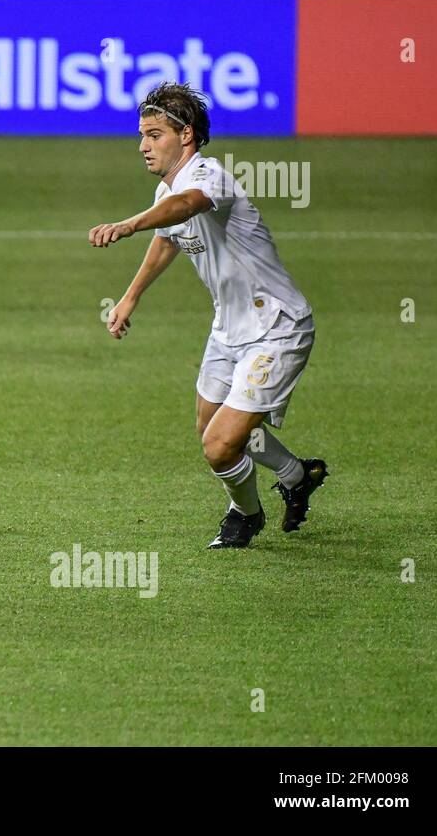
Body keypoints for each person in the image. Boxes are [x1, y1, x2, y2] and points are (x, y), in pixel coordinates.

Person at [88, 83, 328, 549]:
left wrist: (129, 223)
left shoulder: (209, 176)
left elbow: (186, 206)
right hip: (228, 328)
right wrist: (130, 297)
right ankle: (297, 476)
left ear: (187, 135)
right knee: (211, 425)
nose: (143, 145)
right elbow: (171, 235)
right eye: (142, 135)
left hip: (276, 327)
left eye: (154, 135)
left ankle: (245, 515)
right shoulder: (168, 188)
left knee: (220, 444)